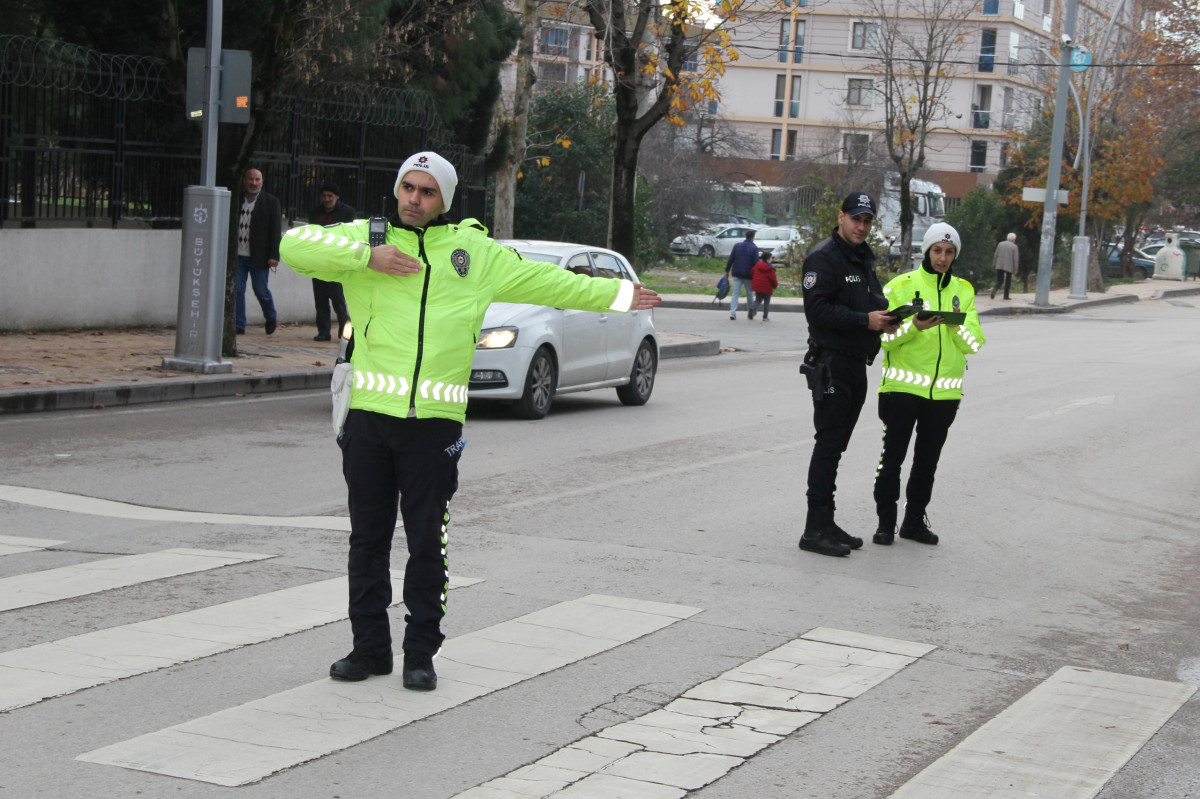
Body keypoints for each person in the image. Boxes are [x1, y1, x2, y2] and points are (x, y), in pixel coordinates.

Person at [279, 151, 661, 691]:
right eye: (408, 187)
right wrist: (370, 259)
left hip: (433, 426)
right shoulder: (367, 237)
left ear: (445, 200)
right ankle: (369, 649)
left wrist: (619, 294)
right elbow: (292, 246)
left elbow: (548, 284)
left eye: (427, 191)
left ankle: (420, 653)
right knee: (366, 540)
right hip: (368, 420)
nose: (414, 198)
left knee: (425, 543)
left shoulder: (472, 253)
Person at [872, 223, 985, 546]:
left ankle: (913, 521)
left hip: (944, 394)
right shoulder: (901, 285)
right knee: (892, 458)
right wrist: (914, 326)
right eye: (937, 250)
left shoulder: (963, 291)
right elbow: (885, 338)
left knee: (927, 461)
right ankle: (885, 522)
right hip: (902, 391)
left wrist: (952, 323)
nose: (943, 257)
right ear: (927, 251)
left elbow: (974, 343)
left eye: (949, 252)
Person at [798, 192, 898, 558]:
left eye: (867, 220)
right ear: (841, 217)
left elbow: (870, 303)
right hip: (831, 364)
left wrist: (889, 318)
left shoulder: (862, 257)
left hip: (856, 363)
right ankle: (813, 528)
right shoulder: (823, 258)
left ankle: (828, 521)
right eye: (856, 218)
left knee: (837, 447)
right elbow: (818, 310)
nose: (861, 226)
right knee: (828, 445)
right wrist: (863, 321)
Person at [234, 168, 282, 335]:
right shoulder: (237, 199)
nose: (253, 183)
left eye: (257, 180)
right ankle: (239, 324)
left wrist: (274, 256)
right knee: (237, 290)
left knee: (260, 290)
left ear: (262, 182)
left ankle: (270, 316)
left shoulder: (271, 202)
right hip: (238, 256)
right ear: (244, 180)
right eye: (250, 179)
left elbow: (275, 231)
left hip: (259, 257)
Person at [308, 181, 356, 341]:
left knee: (338, 299)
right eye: (324, 196)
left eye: (330, 196)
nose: (327, 199)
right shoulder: (316, 213)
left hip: (337, 261)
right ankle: (323, 331)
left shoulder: (347, 213)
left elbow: (349, 235)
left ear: (337, 197)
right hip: (319, 261)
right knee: (320, 299)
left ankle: (345, 330)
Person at [724, 229, 758, 320]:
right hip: (748, 275)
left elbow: (731, 259)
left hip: (737, 273)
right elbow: (756, 263)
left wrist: (727, 270)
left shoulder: (737, 246)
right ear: (752, 238)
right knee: (750, 294)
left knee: (735, 293)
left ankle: (733, 312)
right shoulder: (754, 248)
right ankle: (751, 310)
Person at [748, 250, 778, 321]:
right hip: (767, 288)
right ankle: (765, 317)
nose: (772, 259)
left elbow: (752, 272)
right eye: (771, 258)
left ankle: (752, 308)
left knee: (758, 300)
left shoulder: (758, 264)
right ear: (768, 259)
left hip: (758, 286)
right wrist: (775, 285)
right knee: (766, 302)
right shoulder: (771, 269)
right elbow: (773, 279)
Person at [991, 232, 1018, 300]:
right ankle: (1006, 296)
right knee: (1008, 281)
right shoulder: (1014, 247)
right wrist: (1015, 270)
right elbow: (1015, 259)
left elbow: (996, 255)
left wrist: (994, 264)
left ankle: (995, 288)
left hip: (999, 265)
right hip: (1009, 266)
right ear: (1013, 239)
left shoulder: (1000, 244)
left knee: (1000, 280)